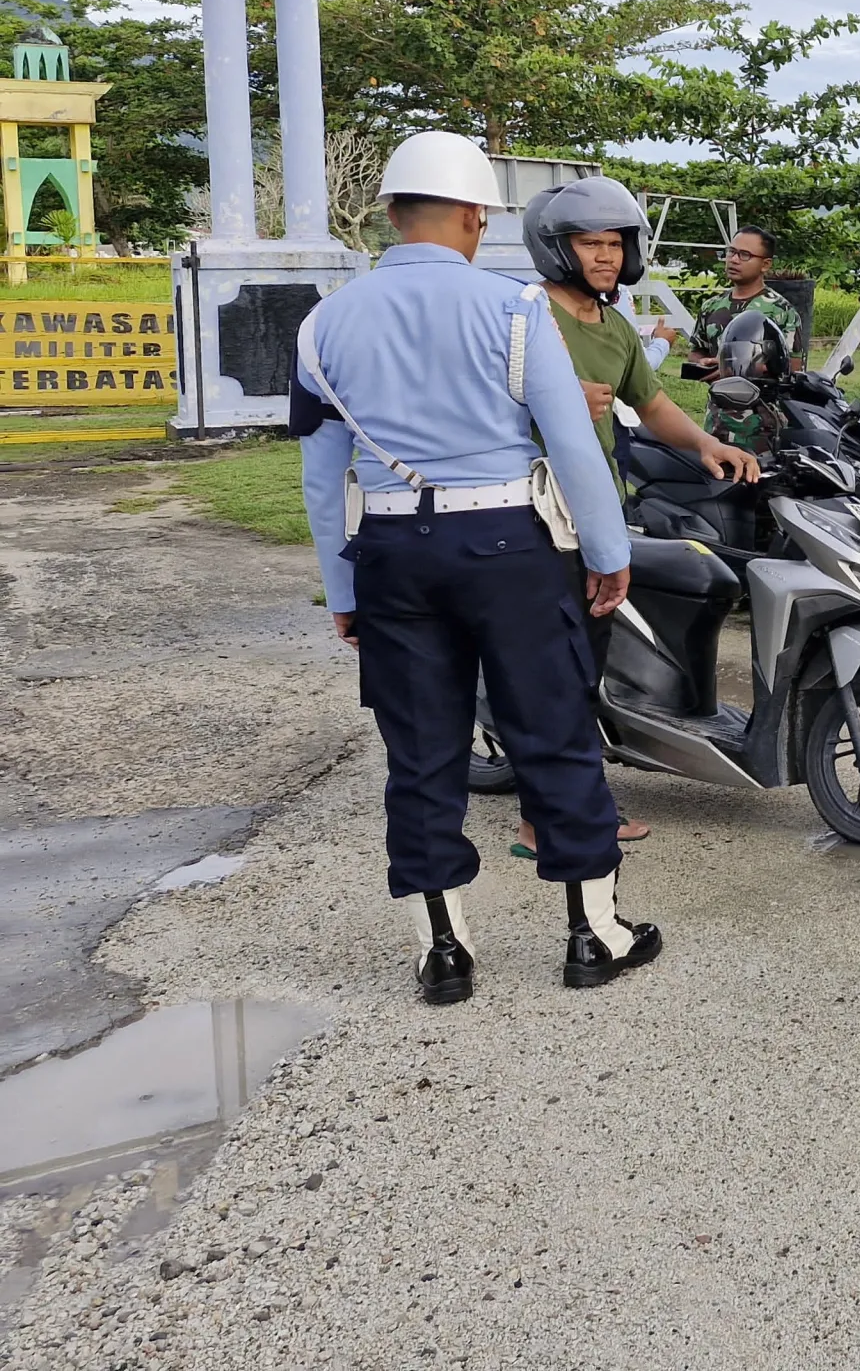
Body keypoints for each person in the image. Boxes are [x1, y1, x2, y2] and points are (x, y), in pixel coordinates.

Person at [291, 131, 661, 1004]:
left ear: (388, 213)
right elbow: (571, 445)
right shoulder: (514, 310)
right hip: (508, 544)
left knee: (420, 753)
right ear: (473, 216)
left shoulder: (324, 321)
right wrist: (608, 556)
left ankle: (443, 953)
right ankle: (594, 934)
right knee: (553, 732)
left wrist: (343, 590)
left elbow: (319, 474)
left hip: (388, 549)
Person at [513, 175, 762, 858]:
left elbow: (651, 405)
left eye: (615, 244)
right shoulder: (525, 316)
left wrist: (709, 444)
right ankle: (546, 818)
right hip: (532, 509)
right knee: (556, 668)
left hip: (593, 510)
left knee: (588, 661)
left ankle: (577, 798)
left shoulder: (614, 324)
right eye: (590, 243)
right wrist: (550, 398)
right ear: (557, 247)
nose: (604, 256)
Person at [688, 225, 801, 375]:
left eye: (745, 255)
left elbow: (793, 368)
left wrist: (739, 368)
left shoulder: (782, 311)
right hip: (719, 396)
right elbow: (696, 351)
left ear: (765, 264)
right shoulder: (711, 306)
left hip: (764, 397)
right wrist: (703, 363)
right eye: (731, 252)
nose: (734, 260)